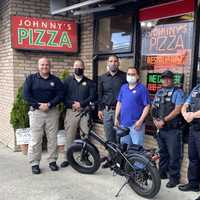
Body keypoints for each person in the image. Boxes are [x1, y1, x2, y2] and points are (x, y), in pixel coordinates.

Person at [23, 57, 64, 174]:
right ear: (38, 66)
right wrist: (38, 105)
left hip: (52, 112)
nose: (44, 67)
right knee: (36, 139)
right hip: (36, 112)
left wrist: (50, 104)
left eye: (46, 65)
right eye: (42, 65)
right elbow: (26, 95)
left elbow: (60, 94)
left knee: (52, 138)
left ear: (49, 66)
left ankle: (52, 161)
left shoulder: (55, 80)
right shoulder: (31, 79)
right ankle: (34, 163)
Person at [151, 70, 184, 188]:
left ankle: (174, 178)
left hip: (173, 130)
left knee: (174, 154)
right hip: (161, 129)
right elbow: (154, 107)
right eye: (164, 78)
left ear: (172, 79)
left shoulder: (178, 92)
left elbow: (177, 109)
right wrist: (155, 120)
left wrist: (163, 120)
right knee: (163, 153)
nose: (166, 80)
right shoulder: (159, 92)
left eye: (168, 78)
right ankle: (162, 173)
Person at [60, 59, 96, 168]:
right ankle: (67, 158)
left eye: (80, 67)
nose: (78, 69)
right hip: (71, 111)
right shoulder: (67, 81)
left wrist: (81, 104)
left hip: (85, 112)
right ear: (73, 68)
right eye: (76, 66)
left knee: (85, 135)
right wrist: (72, 104)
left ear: (84, 68)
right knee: (69, 135)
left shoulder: (90, 82)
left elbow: (92, 96)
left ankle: (84, 157)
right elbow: (62, 96)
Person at [115, 67, 150, 146]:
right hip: (124, 124)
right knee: (124, 148)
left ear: (137, 76)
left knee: (137, 149)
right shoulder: (123, 87)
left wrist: (140, 121)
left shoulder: (142, 88)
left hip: (136, 125)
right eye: (129, 74)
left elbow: (147, 106)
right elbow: (119, 103)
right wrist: (116, 117)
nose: (130, 76)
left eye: (133, 74)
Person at [98, 55, 126, 143]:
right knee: (109, 138)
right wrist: (99, 109)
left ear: (118, 63)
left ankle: (120, 157)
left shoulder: (124, 77)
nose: (113, 63)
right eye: (111, 61)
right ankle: (112, 156)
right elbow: (100, 94)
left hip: (120, 112)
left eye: (115, 61)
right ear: (107, 63)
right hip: (107, 112)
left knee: (120, 138)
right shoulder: (102, 78)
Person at [178, 84, 200, 192]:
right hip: (194, 128)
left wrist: (193, 115)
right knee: (193, 158)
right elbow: (186, 104)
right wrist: (184, 113)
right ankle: (193, 184)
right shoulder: (197, 88)